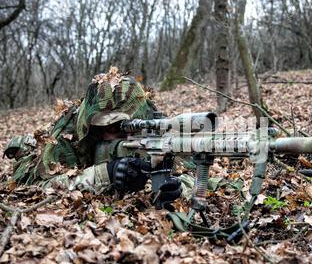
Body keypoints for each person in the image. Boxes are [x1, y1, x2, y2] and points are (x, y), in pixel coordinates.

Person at [3, 67, 182, 209]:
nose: (125, 137)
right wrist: (106, 174)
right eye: (114, 128)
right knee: (28, 150)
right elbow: (40, 188)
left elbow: (189, 169)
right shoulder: (67, 137)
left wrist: (174, 188)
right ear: (94, 129)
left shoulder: (149, 125)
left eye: (130, 128)